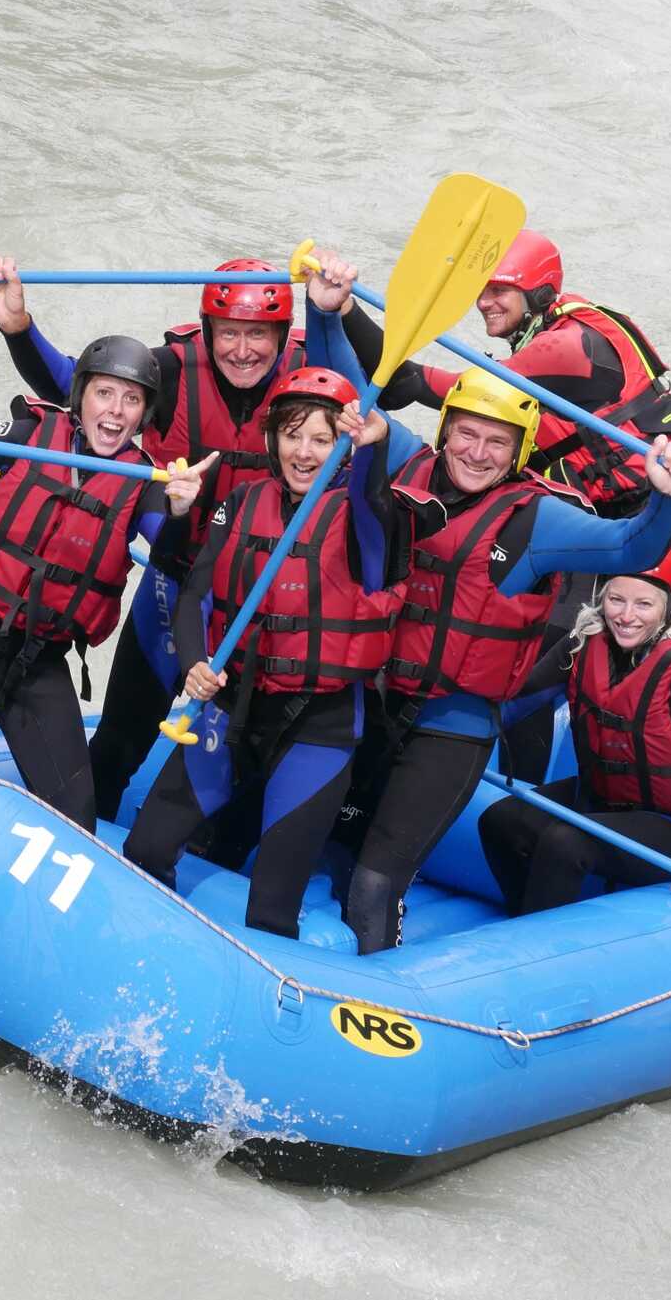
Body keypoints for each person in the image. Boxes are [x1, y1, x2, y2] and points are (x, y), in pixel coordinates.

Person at [0, 254, 361, 821]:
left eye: (259, 333)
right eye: (229, 332)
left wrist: (330, 313)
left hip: (270, 602)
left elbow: (363, 405)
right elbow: (73, 386)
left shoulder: (310, 374)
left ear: (282, 333)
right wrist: (18, 328)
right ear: (209, 331)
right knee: (119, 741)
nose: (243, 349)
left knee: (251, 756)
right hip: (177, 582)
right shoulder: (174, 370)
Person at [340, 369, 671, 953]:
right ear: (444, 431)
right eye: (466, 434)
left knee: (377, 878)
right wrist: (329, 309)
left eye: (497, 441)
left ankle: (377, 1004)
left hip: (451, 729)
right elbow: (353, 392)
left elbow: (631, 547)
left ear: (520, 451)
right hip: (371, 704)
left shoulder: (537, 519)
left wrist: (664, 495)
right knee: (337, 846)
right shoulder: (403, 460)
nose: (477, 453)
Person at [123, 366, 424, 938]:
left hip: (319, 726)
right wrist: (193, 663)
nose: (303, 452)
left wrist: (372, 450)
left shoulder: (369, 518)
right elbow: (194, 595)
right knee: (146, 847)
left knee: (271, 908)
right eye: (291, 434)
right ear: (272, 440)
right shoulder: (240, 502)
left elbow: (371, 498)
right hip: (229, 705)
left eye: (321, 438)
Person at [0, 335, 213, 831]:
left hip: (35, 661)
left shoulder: (146, 483)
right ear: (82, 396)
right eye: (104, 393)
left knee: (77, 818)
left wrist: (182, 510)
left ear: (145, 414)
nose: (116, 411)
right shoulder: (28, 432)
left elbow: (173, 552)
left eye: (132, 399)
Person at [336, 228, 671, 605]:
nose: (484, 302)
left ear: (538, 293)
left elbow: (407, 385)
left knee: (635, 619)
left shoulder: (567, 346)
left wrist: (346, 308)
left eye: (499, 290)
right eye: (482, 291)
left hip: (665, 515)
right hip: (599, 518)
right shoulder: (551, 334)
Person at [478, 549, 671, 916]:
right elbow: (516, 700)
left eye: (644, 604)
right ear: (601, 597)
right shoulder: (583, 643)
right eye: (616, 599)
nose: (626, 616)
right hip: (606, 801)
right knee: (499, 821)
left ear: (669, 607)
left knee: (565, 842)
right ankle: (524, 920)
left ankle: (536, 951)